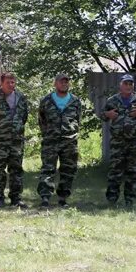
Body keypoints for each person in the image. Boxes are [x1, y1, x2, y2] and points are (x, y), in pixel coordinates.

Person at [101, 74, 136, 208]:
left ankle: (129, 201)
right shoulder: (112, 100)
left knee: (133, 171)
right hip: (117, 142)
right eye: (125, 84)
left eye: (130, 84)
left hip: (134, 142)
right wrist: (107, 115)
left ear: (133, 85)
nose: (128, 86)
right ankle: (112, 200)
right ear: (120, 85)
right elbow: (103, 115)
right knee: (115, 171)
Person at [0, 72, 30, 208]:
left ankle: (16, 198)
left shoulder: (21, 98)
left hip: (16, 141)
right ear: (1, 83)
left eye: (13, 82)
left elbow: (24, 117)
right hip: (0, 141)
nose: (11, 85)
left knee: (16, 170)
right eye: (8, 82)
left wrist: (15, 128)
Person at [36, 73, 82, 209]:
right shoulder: (47, 100)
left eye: (66, 82)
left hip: (69, 142)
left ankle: (63, 198)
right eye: (61, 82)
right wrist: (48, 133)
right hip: (51, 141)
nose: (64, 84)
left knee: (68, 170)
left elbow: (78, 119)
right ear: (55, 84)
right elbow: (41, 120)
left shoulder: (75, 101)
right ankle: (45, 197)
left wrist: (71, 132)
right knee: (47, 170)